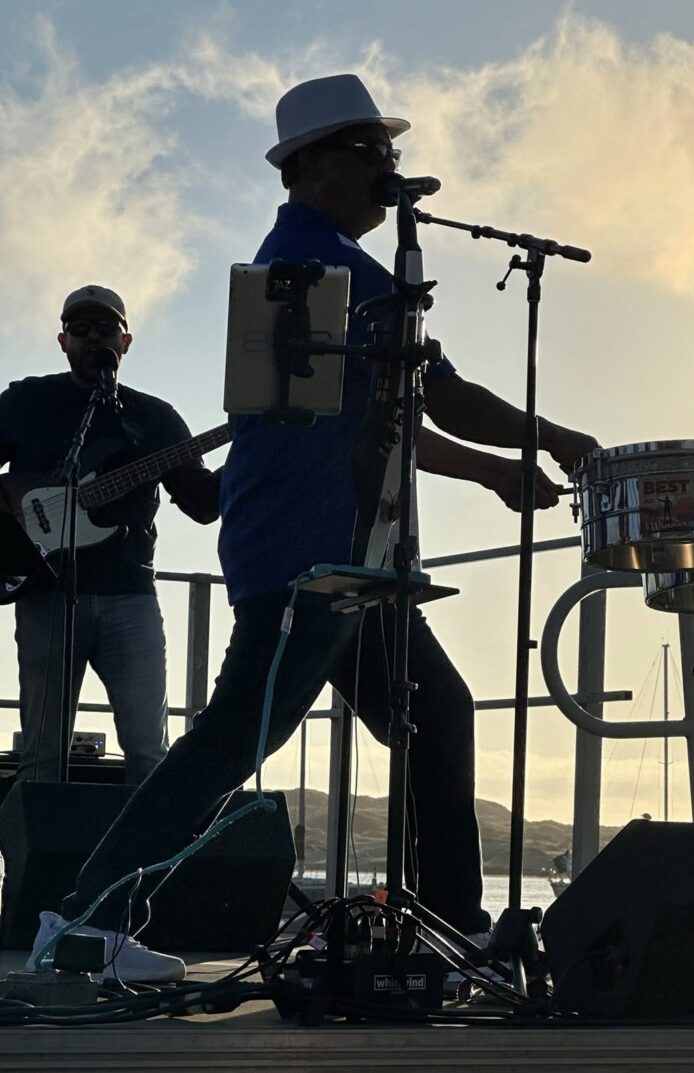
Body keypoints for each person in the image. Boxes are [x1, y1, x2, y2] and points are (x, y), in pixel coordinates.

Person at [31, 75, 597, 983]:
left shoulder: (340, 264)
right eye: (372, 151)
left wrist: (501, 465)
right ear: (313, 165)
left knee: (439, 715)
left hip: (354, 561)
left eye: (392, 153)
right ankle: (87, 922)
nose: (390, 168)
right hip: (308, 556)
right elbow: (432, 399)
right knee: (227, 743)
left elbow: (395, 416)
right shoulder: (314, 268)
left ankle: (450, 931)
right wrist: (551, 440)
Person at [0, 286, 221, 785]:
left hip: (131, 596)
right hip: (45, 595)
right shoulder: (26, 400)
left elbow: (203, 504)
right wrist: (14, 500)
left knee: (148, 754)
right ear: (62, 340)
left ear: (126, 341)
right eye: (81, 328)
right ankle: (34, 865)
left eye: (106, 327)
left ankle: (145, 864)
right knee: (40, 758)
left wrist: (253, 463)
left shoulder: (154, 417)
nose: (93, 335)